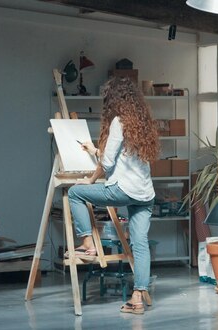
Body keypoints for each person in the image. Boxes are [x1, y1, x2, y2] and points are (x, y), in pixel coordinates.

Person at [67, 76, 159, 314]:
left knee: (75, 192)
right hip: (145, 194)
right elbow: (122, 158)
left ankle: (88, 244)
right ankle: (138, 297)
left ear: (114, 100)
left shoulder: (118, 121)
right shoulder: (142, 122)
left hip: (123, 190)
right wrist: (96, 150)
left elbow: (109, 163)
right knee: (140, 245)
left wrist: (95, 164)